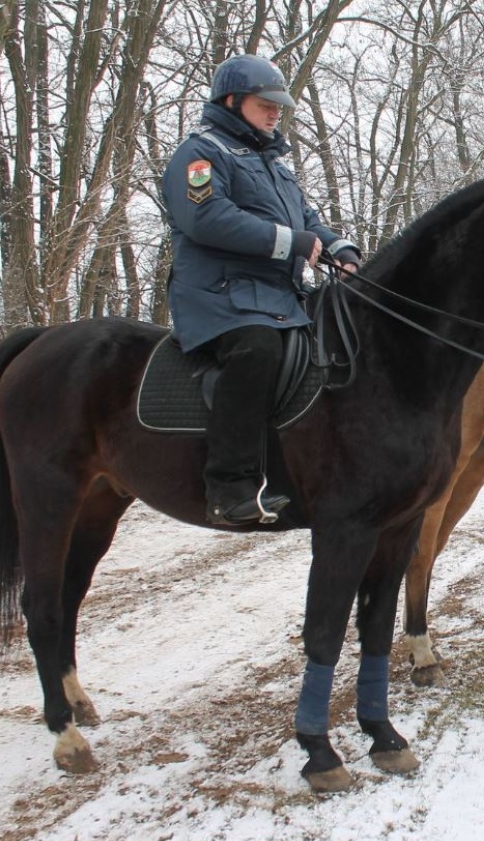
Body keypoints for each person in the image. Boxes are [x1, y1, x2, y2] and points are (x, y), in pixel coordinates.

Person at [162, 54, 361, 526]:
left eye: (279, 106)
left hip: (276, 298)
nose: (275, 113)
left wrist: (340, 248)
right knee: (257, 349)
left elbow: (305, 221)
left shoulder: (274, 164)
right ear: (231, 102)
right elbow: (206, 218)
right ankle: (229, 487)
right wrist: (293, 244)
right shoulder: (200, 154)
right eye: (264, 104)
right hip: (221, 297)